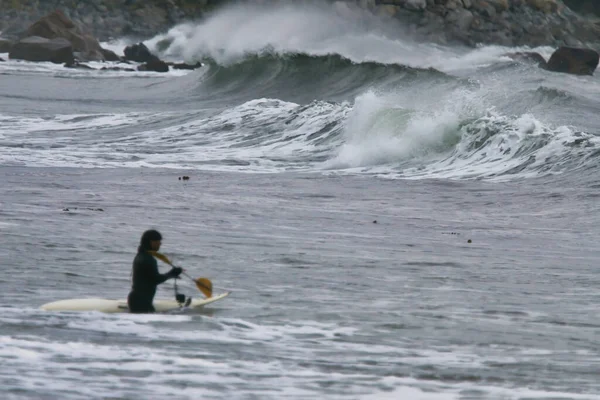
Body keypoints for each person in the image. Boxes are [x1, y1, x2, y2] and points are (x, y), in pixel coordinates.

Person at [127, 229, 182, 313]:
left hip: (138, 299)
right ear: (151, 242)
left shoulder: (140, 255)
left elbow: (150, 279)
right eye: (158, 241)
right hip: (141, 302)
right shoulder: (148, 259)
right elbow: (156, 280)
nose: (160, 243)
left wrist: (171, 274)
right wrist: (171, 273)